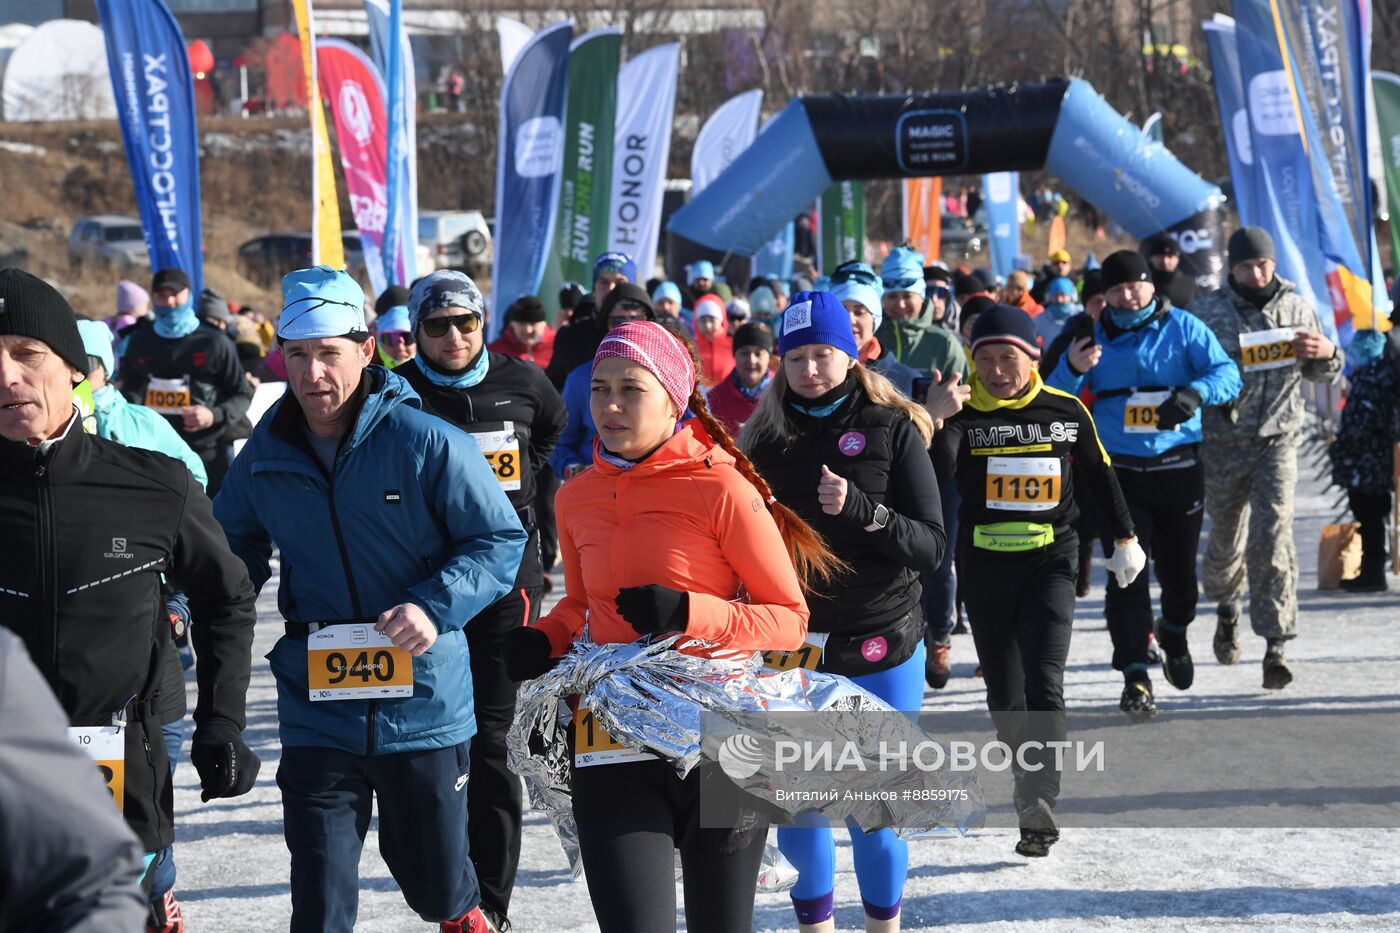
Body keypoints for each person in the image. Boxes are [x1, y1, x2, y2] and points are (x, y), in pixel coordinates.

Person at [213, 266, 526, 933]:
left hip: (423, 704)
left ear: (366, 349)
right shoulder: (265, 455)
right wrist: (200, 598)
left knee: (436, 882)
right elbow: (230, 544)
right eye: (297, 354)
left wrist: (432, 604)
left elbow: (498, 539)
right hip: (317, 700)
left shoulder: (425, 441)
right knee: (321, 894)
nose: (312, 373)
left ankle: (462, 911)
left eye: (329, 352)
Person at [503, 320, 829, 933]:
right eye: (599, 389)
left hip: (723, 732)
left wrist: (686, 613)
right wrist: (542, 638)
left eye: (632, 388)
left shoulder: (722, 488)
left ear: (674, 399)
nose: (611, 405)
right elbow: (582, 604)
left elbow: (789, 620)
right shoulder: (577, 497)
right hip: (613, 732)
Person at [0, 268, 260, 932]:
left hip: (122, 777)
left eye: (26, 354)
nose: (6, 375)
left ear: (73, 370)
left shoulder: (153, 485)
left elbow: (227, 597)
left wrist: (221, 721)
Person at [740, 290, 946, 931]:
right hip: (790, 646)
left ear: (850, 355)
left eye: (823, 354)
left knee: (874, 809)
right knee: (800, 811)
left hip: (880, 640)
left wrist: (864, 510)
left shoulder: (893, 426)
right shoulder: (759, 437)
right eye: (796, 356)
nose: (809, 369)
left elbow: (932, 545)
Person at [933, 304, 1142, 857]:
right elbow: (934, 478)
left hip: (1051, 561)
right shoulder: (960, 413)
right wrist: (935, 421)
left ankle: (1036, 799)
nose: (998, 371)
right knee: (1004, 693)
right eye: (986, 359)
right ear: (971, 361)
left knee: (1045, 681)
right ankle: (1028, 777)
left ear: (1031, 358)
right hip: (983, 567)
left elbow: (1099, 472)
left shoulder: (1064, 410)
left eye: (1009, 358)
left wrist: (1126, 539)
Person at [393, 271, 566, 929]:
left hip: (506, 583)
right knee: (433, 743)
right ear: (417, 332)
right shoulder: (395, 389)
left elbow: (551, 429)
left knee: (493, 742)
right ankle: (446, 883)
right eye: (437, 325)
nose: (455, 336)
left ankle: (487, 905)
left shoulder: (522, 381)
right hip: (426, 588)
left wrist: (518, 496)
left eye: (466, 321)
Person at [1047, 250, 1240, 718]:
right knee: (1125, 573)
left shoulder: (1185, 328)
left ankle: (1173, 630)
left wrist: (1195, 393)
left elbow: (1228, 374)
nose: (1127, 294)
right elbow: (1048, 399)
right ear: (1104, 296)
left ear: (1152, 285)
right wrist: (1073, 368)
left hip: (1178, 466)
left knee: (1179, 577)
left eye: (1135, 284)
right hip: (1119, 472)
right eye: (1115, 289)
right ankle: (1135, 673)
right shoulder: (1085, 335)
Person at [1189, 227, 1344, 687]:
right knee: (1225, 539)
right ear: (1231, 267)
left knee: (1273, 535)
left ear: (1274, 264)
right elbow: (1191, 368)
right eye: (1246, 266)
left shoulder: (1296, 308)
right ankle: (1226, 605)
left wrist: (1328, 351)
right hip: (1222, 443)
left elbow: (1325, 369)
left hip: (1279, 439)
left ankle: (1276, 644)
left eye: (1263, 264)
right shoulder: (1208, 312)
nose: (1256, 274)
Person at [0, 628, 150, 932]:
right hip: (58, 711)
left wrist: (221, 717)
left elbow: (89, 883)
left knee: (153, 856)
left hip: (123, 718)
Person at [118, 267, 254, 495]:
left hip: (208, 451)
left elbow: (242, 393)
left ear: (188, 295)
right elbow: (129, 393)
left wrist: (213, 415)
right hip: (155, 453)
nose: (169, 302)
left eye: (175, 294)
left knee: (214, 524)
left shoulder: (215, 342)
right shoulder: (139, 341)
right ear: (153, 299)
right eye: (162, 295)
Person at [550, 284, 655, 481]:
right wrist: (574, 469)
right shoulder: (581, 378)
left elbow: (693, 429)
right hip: (597, 486)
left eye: (636, 319)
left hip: (657, 484)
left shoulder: (667, 373)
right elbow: (561, 443)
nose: (627, 327)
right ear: (605, 323)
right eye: (619, 320)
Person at [1328, 329, 1397, 593]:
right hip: (1377, 462)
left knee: (1369, 518)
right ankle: (1373, 570)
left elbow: (1360, 428)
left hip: (1366, 464)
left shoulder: (1370, 381)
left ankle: (1373, 573)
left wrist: (1339, 450)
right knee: (1374, 517)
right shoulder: (1383, 377)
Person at [875, 246, 968, 381]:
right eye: (892, 296)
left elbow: (965, 396)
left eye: (907, 296)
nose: (901, 304)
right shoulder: (870, 341)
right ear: (883, 298)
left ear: (921, 297)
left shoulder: (945, 345)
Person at [545, 253, 634, 390]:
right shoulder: (570, 337)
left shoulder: (651, 337)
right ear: (594, 289)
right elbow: (551, 391)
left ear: (633, 289)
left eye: (620, 282)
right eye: (604, 282)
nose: (611, 289)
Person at [831, 260, 920, 395]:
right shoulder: (815, 373)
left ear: (875, 319)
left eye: (859, 312)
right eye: (841, 312)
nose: (850, 320)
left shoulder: (907, 379)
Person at [705, 321, 774, 436]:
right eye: (744, 353)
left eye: (758, 354)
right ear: (734, 354)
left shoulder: (782, 394)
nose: (751, 360)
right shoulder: (715, 400)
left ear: (769, 356)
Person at [488, 295, 556, 369]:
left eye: (533, 324)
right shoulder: (495, 353)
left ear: (544, 323)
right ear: (512, 324)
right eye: (522, 324)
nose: (528, 330)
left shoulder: (557, 346)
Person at [1144, 233, 1200, 309]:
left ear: (1177, 258)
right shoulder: (1144, 284)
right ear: (1152, 258)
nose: (1165, 261)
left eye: (1170, 256)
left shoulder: (1189, 285)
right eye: (1160, 256)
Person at [693, 293, 734, 387]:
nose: (708, 325)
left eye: (712, 319)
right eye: (703, 320)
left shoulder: (734, 345)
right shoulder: (690, 348)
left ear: (721, 319)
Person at [371, 285, 415, 370]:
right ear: (377, 339)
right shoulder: (363, 378)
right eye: (390, 338)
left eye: (408, 337)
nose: (400, 348)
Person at [1033, 277, 1080, 349]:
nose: (1059, 300)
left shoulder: (1080, 315)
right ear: (1048, 297)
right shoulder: (1041, 318)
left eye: (1063, 295)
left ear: (1072, 296)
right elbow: (1028, 337)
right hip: (1051, 359)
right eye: (1056, 295)